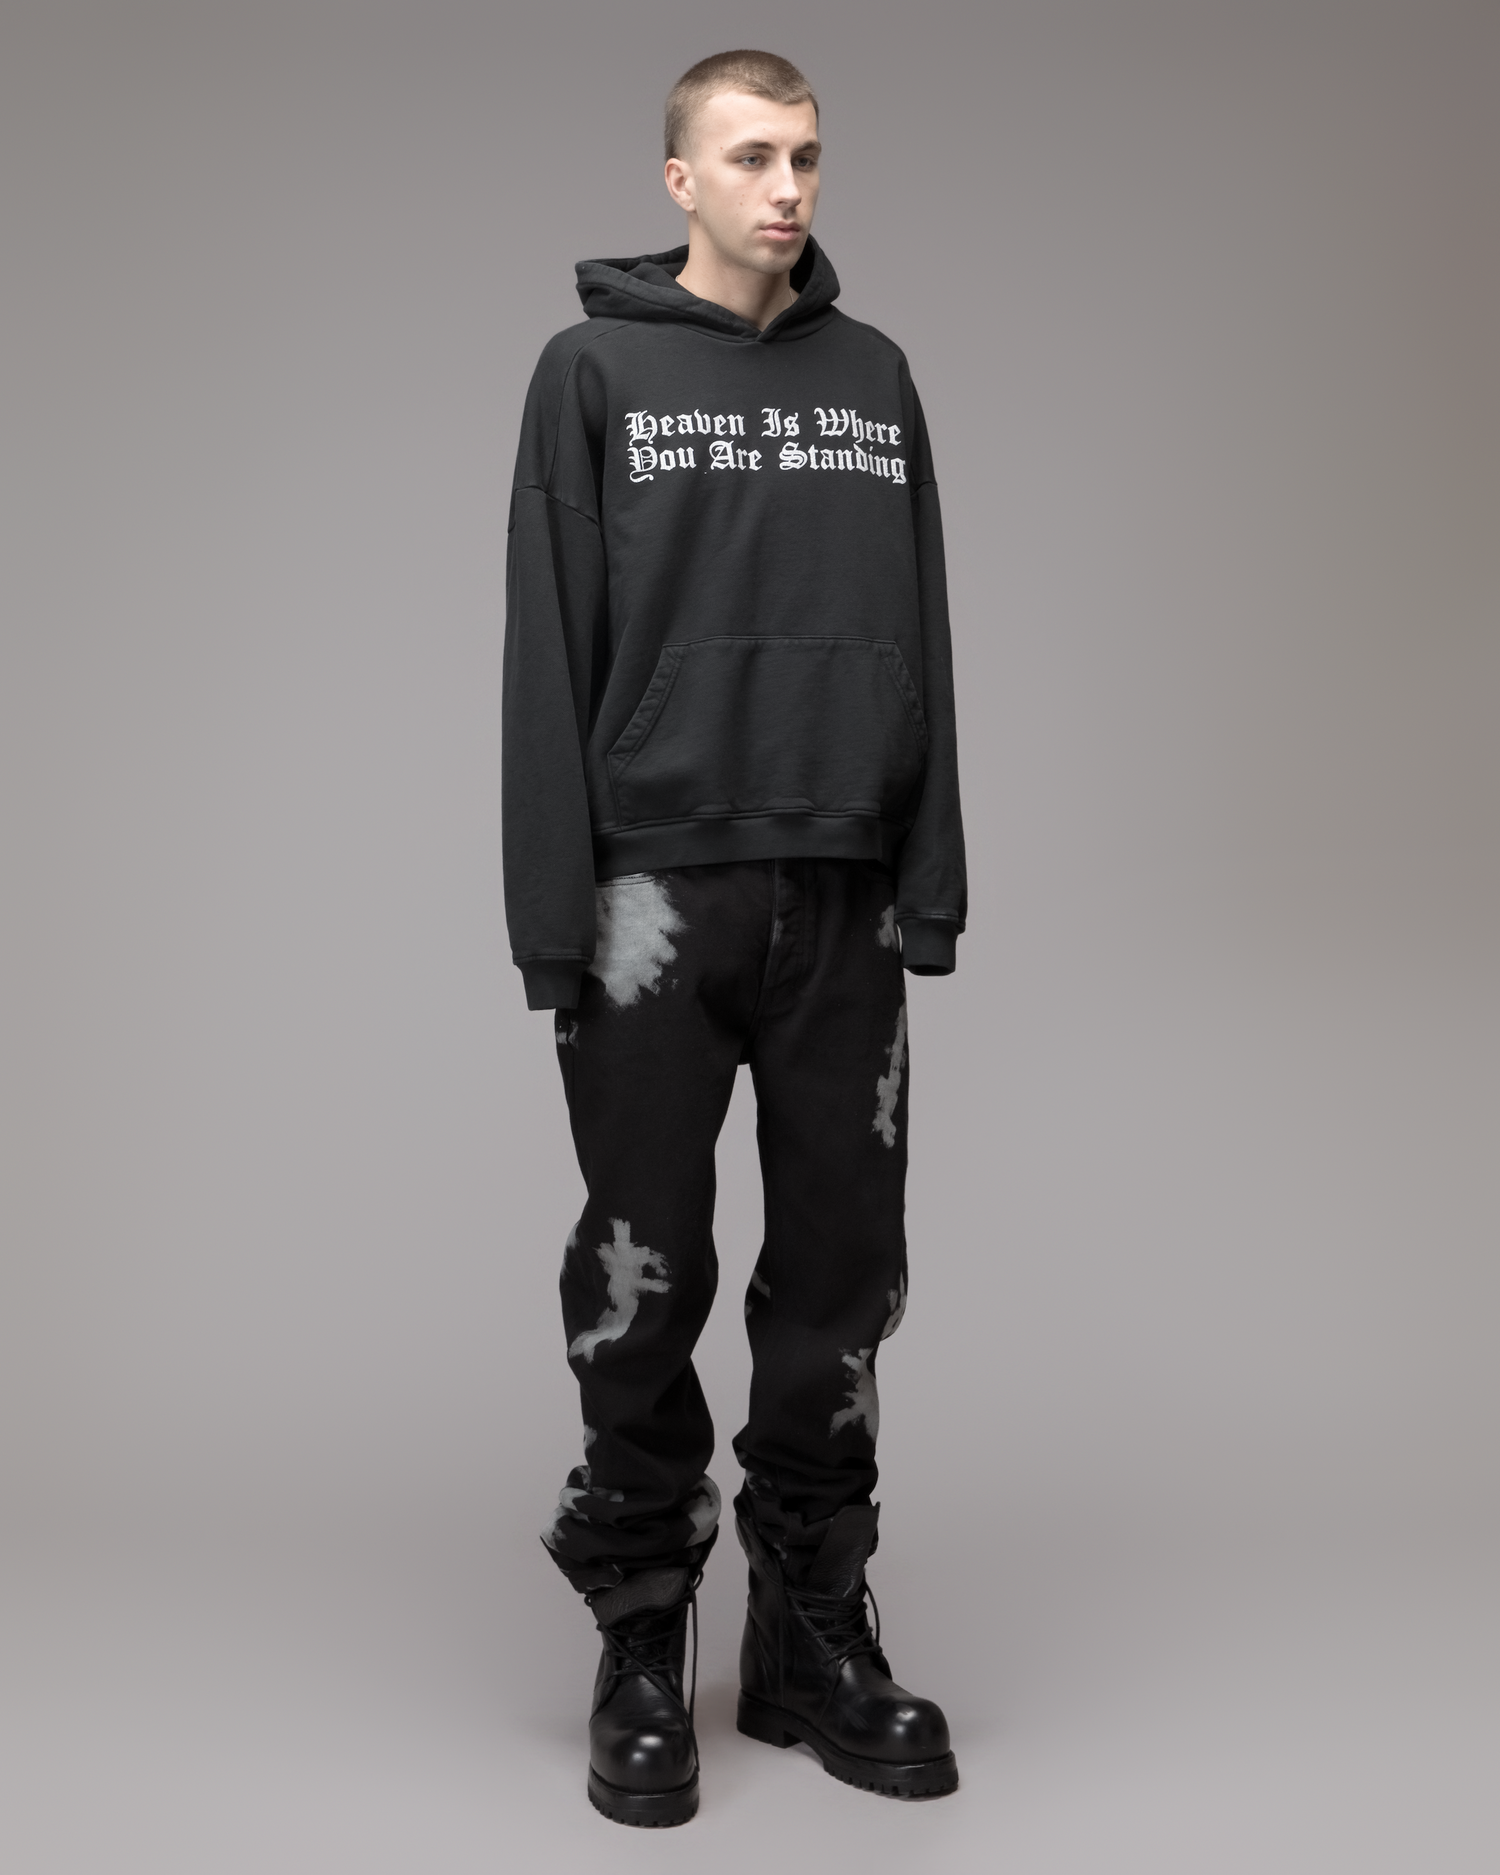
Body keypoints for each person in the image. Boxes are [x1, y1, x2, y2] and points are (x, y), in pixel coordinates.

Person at [502, 48, 967, 1826]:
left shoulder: (877, 377)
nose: (789, 188)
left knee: (845, 1269)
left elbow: (924, 625)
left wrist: (931, 874)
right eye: (753, 156)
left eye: (810, 157)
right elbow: (547, 640)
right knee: (643, 1263)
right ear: (680, 180)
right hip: (649, 901)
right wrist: (551, 908)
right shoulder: (593, 373)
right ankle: (641, 1625)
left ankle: (809, 1630)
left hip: (842, 883)